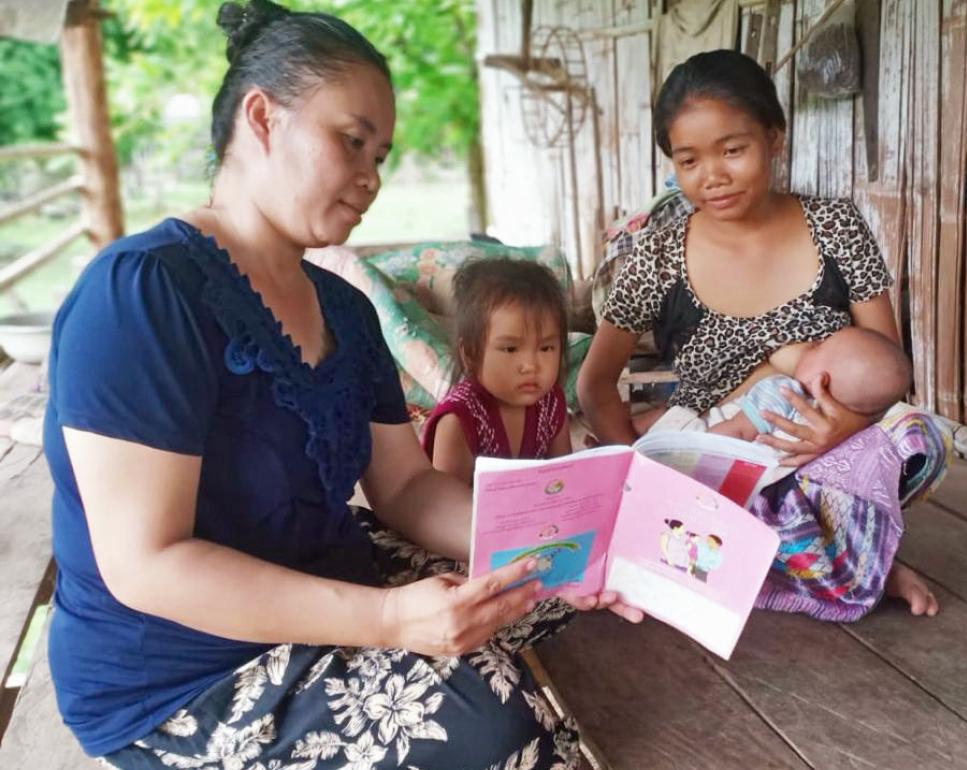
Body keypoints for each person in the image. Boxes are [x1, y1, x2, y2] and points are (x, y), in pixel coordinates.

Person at [43, 3, 638, 767]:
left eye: (381, 154)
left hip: (327, 583)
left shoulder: (347, 312)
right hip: (181, 673)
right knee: (496, 726)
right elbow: (146, 564)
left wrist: (561, 542)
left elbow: (405, 488)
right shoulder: (143, 295)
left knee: (554, 589)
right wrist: (389, 620)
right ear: (262, 117)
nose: (371, 178)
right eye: (352, 142)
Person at [577, 49, 948, 621]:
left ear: (774, 139)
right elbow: (595, 383)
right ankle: (848, 564)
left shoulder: (837, 226)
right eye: (689, 160)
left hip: (828, 447)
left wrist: (838, 428)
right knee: (676, 485)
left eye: (733, 150)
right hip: (715, 458)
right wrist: (635, 469)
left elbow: (888, 363)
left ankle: (860, 559)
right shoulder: (658, 253)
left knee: (914, 434)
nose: (713, 176)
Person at [421, 258, 572, 485]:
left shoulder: (551, 404)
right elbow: (446, 506)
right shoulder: (458, 420)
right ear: (470, 353)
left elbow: (562, 482)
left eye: (546, 348)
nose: (531, 365)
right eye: (510, 349)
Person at [652, 326, 912, 441]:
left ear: (821, 380)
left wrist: (689, 451)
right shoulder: (831, 420)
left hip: (709, 435)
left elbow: (737, 431)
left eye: (818, 346)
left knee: (669, 419)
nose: (810, 343)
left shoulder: (782, 390)